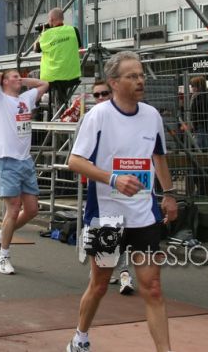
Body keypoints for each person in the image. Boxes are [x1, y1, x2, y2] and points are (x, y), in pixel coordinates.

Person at [67, 51, 178, 352]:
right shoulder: (98, 116)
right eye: (132, 76)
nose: (140, 80)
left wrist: (169, 194)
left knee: (153, 288)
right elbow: (75, 161)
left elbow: (159, 157)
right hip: (107, 217)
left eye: (141, 75)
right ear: (114, 83)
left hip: (143, 215)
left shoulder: (152, 116)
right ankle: (80, 337)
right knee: (100, 285)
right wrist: (114, 179)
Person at [0, 66, 49, 275]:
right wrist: (2, 76)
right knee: (13, 209)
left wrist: (23, 80)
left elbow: (45, 84)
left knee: (32, 209)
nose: (19, 79)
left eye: (19, 77)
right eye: (15, 77)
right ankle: (3, 257)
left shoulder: (26, 98)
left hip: (25, 160)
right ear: (4, 81)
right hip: (6, 160)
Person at [87, 80, 136, 296]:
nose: (100, 98)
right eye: (96, 95)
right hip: (99, 184)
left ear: (112, 93)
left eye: (104, 93)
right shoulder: (90, 118)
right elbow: (78, 155)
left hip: (125, 181)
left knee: (122, 227)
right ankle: (101, 271)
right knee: (102, 229)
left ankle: (124, 273)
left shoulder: (127, 117)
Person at [33, 8, 82, 119]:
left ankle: (36, 112)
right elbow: (78, 45)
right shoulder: (73, 30)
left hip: (52, 78)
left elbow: (35, 49)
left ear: (51, 19)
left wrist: (41, 34)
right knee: (62, 98)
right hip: (72, 75)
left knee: (33, 76)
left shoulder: (46, 35)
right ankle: (62, 114)